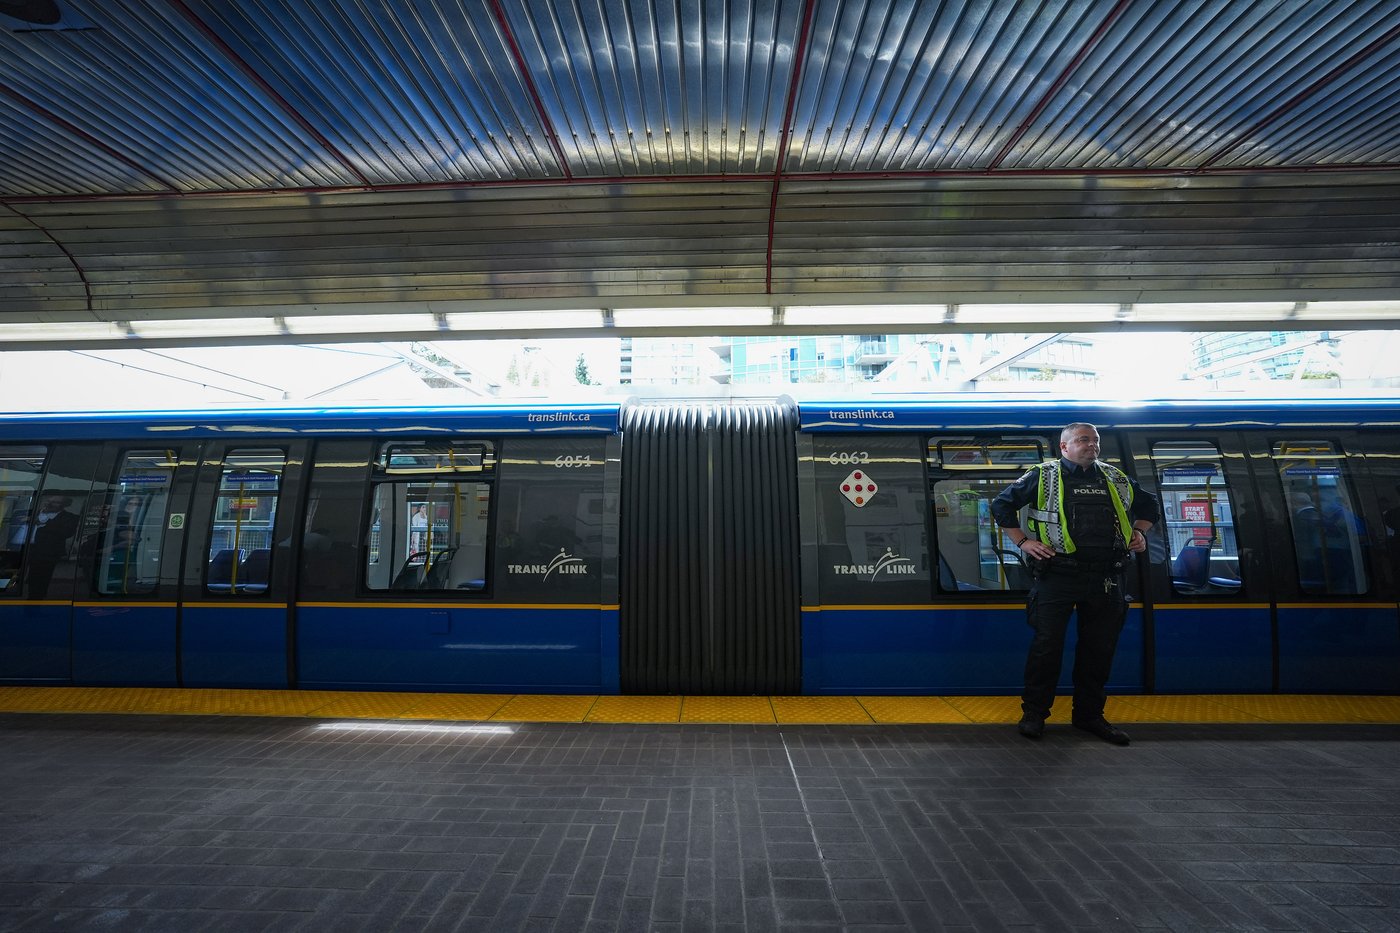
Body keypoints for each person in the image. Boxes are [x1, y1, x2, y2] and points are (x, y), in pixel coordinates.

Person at [990, 423, 1159, 745]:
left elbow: (1150, 506)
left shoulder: (1115, 477)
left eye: (1095, 440)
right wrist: (1023, 542)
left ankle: (1089, 716)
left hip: (1107, 577)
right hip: (1057, 576)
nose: (1092, 445)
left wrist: (1140, 532)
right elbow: (1001, 505)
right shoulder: (1044, 475)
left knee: (1099, 650)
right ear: (1064, 447)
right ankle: (1035, 714)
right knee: (1046, 648)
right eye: (1083, 440)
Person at [23, 494, 81, 598]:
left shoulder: (70, 517)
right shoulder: (33, 512)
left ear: (64, 505)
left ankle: (35, 603)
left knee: (40, 582)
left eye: (55, 502)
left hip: (47, 554)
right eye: (49, 500)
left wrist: (43, 524)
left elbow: (67, 532)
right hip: (24, 550)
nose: (49, 503)